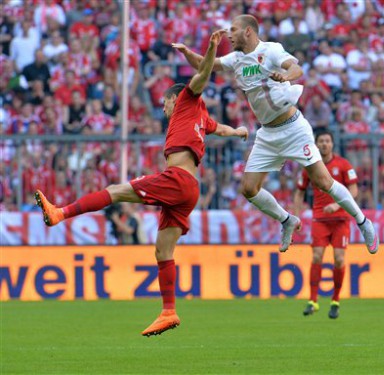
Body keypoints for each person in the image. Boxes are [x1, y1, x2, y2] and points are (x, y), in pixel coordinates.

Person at [34, 30, 248, 337]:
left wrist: (212, 47)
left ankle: (61, 213)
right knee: (163, 251)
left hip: (177, 180)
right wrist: (238, 130)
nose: (163, 108)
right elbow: (222, 129)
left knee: (116, 191)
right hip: (189, 190)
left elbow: (202, 74)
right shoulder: (202, 119)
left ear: (176, 98)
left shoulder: (188, 100)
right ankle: (169, 312)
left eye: (165, 102)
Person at [173, 14, 379, 254]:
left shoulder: (271, 51)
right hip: (267, 133)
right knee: (249, 189)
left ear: (248, 32)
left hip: (292, 128)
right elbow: (205, 65)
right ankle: (287, 220)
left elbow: (296, 67)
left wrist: (285, 76)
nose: (229, 35)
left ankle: (364, 223)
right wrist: (189, 52)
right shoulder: (236, 59)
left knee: (323, 182)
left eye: (233, 30)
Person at [294, 130, 358, 319]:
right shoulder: (309, 166)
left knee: (339, 259)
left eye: (327, 141)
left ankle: (335, 301)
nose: (324, 144)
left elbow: (353, 191)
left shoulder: (343, 165)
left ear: (332, 144)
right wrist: (296, 216)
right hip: (320, 219)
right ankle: (313, 301)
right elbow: (299, 192)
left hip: (340, 219)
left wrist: (337, 205)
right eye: (321, 141)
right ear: (316, 144)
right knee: (316, 256)